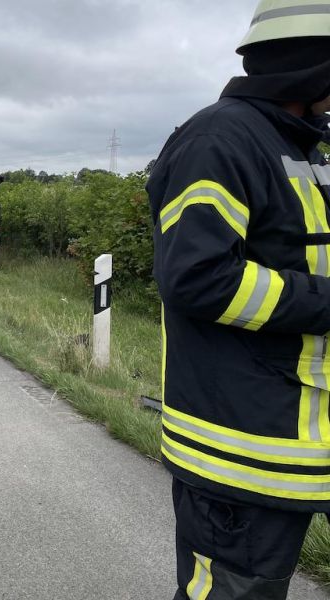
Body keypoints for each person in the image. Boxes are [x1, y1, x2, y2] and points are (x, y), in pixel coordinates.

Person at [147, 2, 330, 598]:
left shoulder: (305, 148)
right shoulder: (219, 140)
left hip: (305, 437)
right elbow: (198, 277)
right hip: (242, 455)